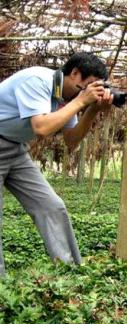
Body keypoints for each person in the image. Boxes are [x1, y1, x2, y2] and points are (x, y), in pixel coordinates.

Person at [0, 52, 113, 275]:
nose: (89, 92)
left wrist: (91, 110)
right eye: (89, 85)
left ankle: (69, 272)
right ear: (74, 73)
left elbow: (71, 139)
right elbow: (41, 128)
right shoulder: (37, 80)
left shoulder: (65, 98)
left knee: (52, 206)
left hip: (15, 149)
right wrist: (81, 101)